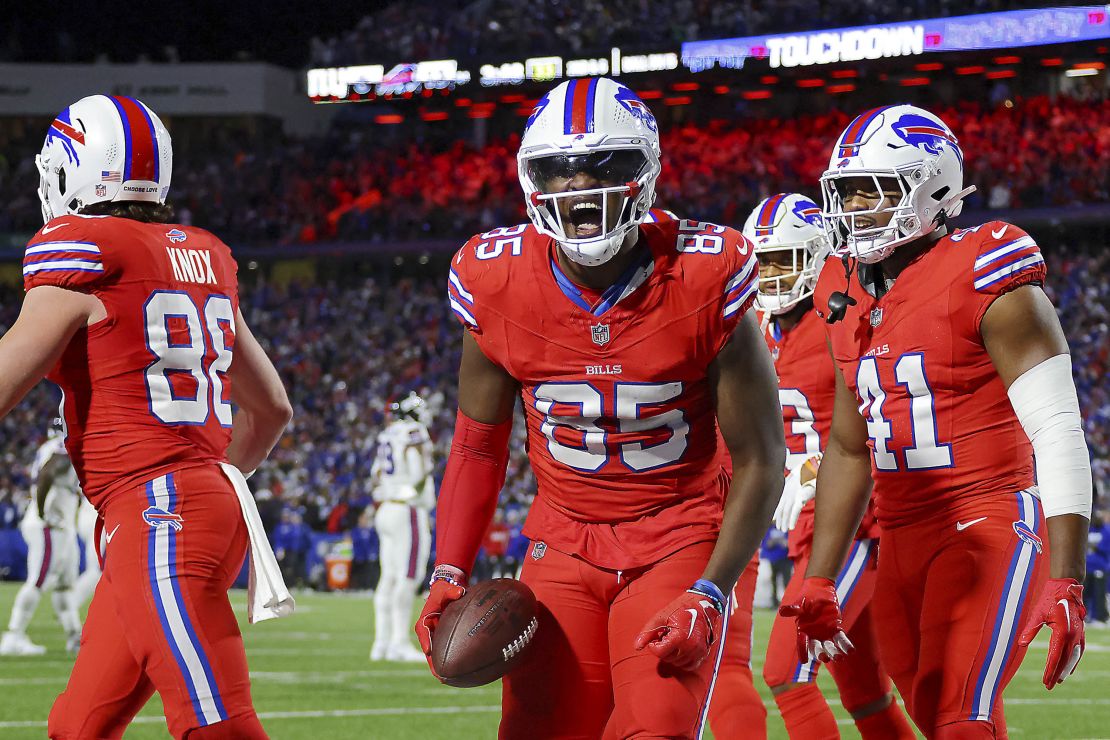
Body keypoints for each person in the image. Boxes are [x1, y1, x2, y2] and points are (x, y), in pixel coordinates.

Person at [416, 77, 785, 738]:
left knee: (657, 728)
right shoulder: (493, 279)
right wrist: (449, 569)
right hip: (565, 541)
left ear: (646, 173)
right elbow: (478, 444)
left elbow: (761, 457)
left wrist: (710, 589)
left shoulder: (705, 272)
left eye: (605, 166)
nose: (579, 188)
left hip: (677, 532)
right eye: (558, 172)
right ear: (531, 181)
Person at [785, 104, 1092, 738]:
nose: (852, 210)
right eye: (843, 193)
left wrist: (1066, 577)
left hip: (987, 521)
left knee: (959, 715)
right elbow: (847, 449)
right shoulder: (842, 287)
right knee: (935, 713)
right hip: (900, 535)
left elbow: (1059, 428)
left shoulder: (986, 267)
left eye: (871, 191)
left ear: (933, 189)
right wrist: (819, 575)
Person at [0, 94, 294, 739]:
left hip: (158, 511)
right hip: (202, 503)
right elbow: (270, 408)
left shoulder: (80, 247)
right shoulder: (204, 255)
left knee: (216, 724)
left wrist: (177, 489)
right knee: (79, 725)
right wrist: (207, 482)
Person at [731, 194, 912, 739]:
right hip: (807, 524)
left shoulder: (848, 315)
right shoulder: (755, 327)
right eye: (761, 263)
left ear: (817, 253)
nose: (771, 275)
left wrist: (814, 469)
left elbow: (890, 419)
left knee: (786, 671)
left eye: (784, 259)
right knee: (865, 695)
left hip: (857, 517)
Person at [0, 418, 83, 656]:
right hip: (50, 523)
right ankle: (14, 636)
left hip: (62, 524)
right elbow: (48, 473)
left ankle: (74, 636)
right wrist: (41, 512)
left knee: (65, 583)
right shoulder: (61, 445)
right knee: (38, 580)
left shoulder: (49, 446)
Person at [371, 391, 434, 663]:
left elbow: (375, 474)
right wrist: (411, 487)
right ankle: (398, 643)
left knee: (388, 577)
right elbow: (419, 471)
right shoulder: (413, 431)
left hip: (385, 507)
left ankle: (381, 643)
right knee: (408, 576)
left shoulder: (386, 434)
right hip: (407, 508)